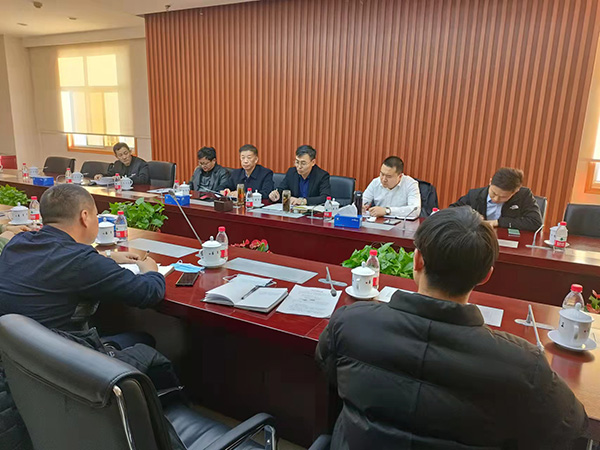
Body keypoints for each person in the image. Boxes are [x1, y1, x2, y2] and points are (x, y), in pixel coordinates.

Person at [316, 207, 587, 449]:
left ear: (417, 261)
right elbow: (571, 426)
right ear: (486, 275)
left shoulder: (350, 322)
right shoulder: (524, 364)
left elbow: (329, 368)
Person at [0, 184, 173, 450]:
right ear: (85, 216)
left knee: (138, 337)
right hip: (69, 369)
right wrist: (151, 269)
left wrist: (106, 256)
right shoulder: (80, 261)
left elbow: (59, 258)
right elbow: (148, 293)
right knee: (146, 346)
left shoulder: (18, 243)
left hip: (24, 368)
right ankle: (162, 427)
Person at [450, 167, 543, 231]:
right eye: (493, 193)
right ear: (490, 182)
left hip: (509, 241)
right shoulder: (475, 195)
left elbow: (535, 222)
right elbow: (451, 211)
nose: (496, 199)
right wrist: (471, 217)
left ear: (515, 191)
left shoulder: (523, 195)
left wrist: (498, 222)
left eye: (503, 197)